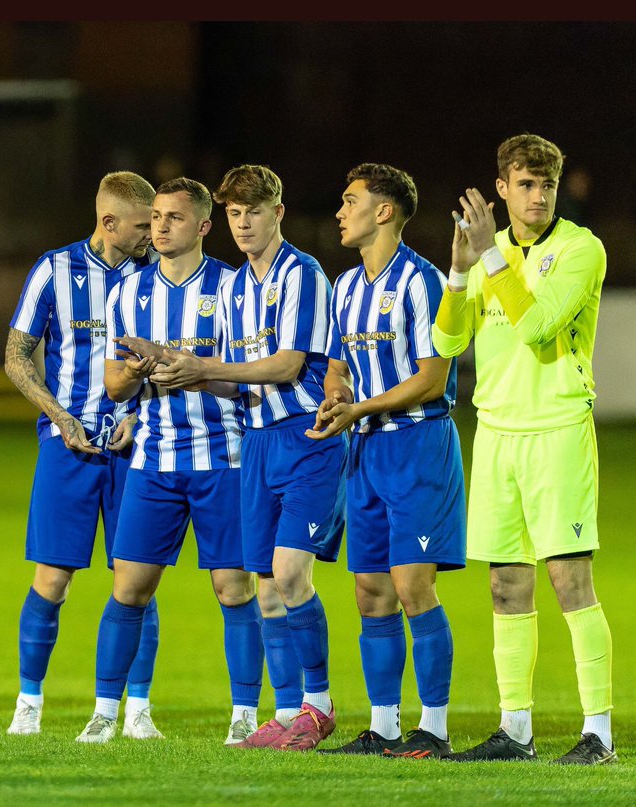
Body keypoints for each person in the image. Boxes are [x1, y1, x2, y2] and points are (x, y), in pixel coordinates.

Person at [133, 165, 345, 749]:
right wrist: (183, 371)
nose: (243, 223)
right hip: (255, 441)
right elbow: (235, 380)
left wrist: (204, 366)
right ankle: (288, 713)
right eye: (234, 213)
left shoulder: (302, 273)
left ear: (278, 213)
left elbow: (287, 365)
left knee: (290, 572)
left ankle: (320, 703)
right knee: (268, 587)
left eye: (254, 211)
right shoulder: (232, 288)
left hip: (305, 435)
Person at [433, 134, 615, 765]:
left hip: (557, 429)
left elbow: (537, 328)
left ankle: (598, 733)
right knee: (507, 585)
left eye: (548, 185)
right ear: (502, 189)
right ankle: (515, 732)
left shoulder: (581, 249)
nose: (539, 196)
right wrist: (461, 270)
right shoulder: (491, 254)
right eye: (526, 184)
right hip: (496, 432)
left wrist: (489, 257)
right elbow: (449, 343)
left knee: (569, 580)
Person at [77, 177, 258, 745]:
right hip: (153, 460)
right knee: (129, 588)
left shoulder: (233, 288)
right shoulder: (127, 292)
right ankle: (105, 713)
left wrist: (194, 370)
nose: (159, 226)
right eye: (155, 216)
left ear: (203, 226)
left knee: (234, 589)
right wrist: (134, 373)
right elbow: (113, 385)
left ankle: (244, 716)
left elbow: (248, 380)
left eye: (173, 218)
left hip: (223, 457)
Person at [304, 164, 462, 758]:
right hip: (365, 448)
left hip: (417, 444)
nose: (340, 212)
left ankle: (435, 729)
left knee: (413, 585)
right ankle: (384, 727)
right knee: (371, 590)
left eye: (351, 202)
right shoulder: (345, 286)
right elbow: (337, 367)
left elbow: (431, 378)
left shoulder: (424, 282)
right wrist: (335, 397)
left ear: (384, 211)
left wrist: (359, 407)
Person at [2, 171, 161, 739]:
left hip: (138, 447)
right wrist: (59, 416)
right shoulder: (55, 269)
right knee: (52, 579)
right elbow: (16, 355)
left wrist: (140, 416)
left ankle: (137, 710)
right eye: (143, 225)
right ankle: (28, 704)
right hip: (67, 446)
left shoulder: (158, 274)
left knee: (136, 579)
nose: (153, 235)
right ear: (108, 222)